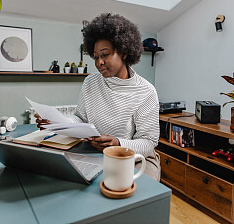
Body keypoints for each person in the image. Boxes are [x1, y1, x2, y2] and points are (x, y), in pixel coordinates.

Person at [36, 13, 160, 181]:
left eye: (105, 54)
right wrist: (57, 122)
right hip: (95, 150)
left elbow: (148, 142)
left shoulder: (146, 91)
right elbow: (80, 118)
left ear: (123, 52)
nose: (99, 62)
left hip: (134, 156)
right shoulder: (91, 82)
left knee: (137, 193)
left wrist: (118, 143)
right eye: (95, 56)